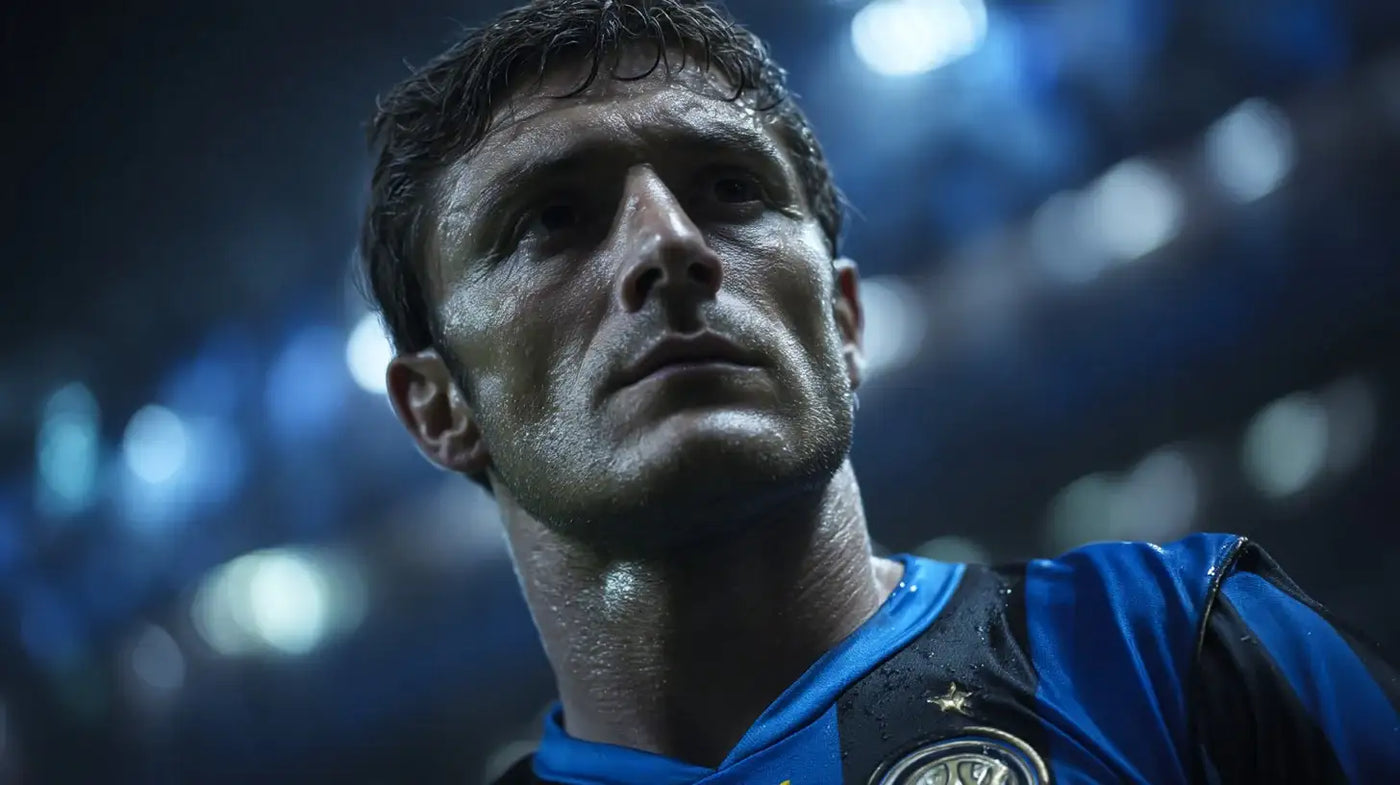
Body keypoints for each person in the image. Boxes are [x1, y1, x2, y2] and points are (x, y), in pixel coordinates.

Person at [357, 1, 1400, 782]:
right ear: (439, 406)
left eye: (730, 189)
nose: (670, 245)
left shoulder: (1169, 644)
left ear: (843, 320)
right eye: (551, 218)